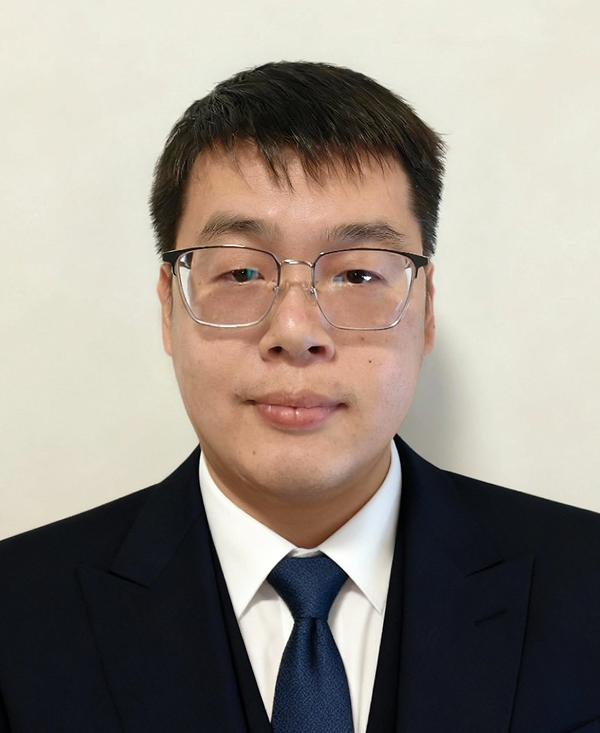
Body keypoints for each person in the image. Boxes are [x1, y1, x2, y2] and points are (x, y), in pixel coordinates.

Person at [0, 61, 599, 733]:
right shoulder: (17, 614)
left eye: (358, 273)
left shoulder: (586, 588)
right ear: (169, 305)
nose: (295, 331)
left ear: (425, 309)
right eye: (243, 270)